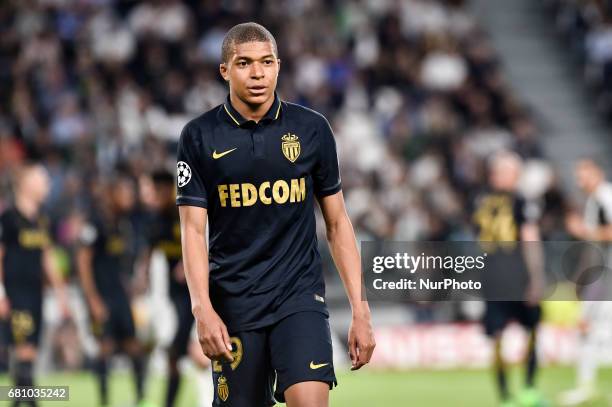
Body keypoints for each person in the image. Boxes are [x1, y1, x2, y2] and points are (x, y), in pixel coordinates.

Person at [176, 22, 375, 406]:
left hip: (298, 298)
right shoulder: (199, 137)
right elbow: (193, 231)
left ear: (279, 66)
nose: (257, 73)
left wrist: (360, 309)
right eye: (244, 63)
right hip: (233, 304)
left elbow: (337, 223)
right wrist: (201, 309)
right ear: (225, 71)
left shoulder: (312, 129)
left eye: (266, 62)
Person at [472, 151, 545, 407]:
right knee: (532, 331)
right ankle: (528, 390)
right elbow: (530, 238)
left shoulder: (481, 201)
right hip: (518, 276)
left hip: (491, 278)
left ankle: (505, 397)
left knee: (498, 337)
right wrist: (536, 278)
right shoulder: (521, 200)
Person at [76, 174, 149, 407]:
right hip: (101, 296)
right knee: (104, 348)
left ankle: (139, 398)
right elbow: (83, 262)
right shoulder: (95, 222)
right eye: (125, 192)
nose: (130, 196)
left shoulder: (122, 223)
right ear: (112, 193)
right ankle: (104, 401)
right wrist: (93, 300)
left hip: (119, 295)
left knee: (134, 346)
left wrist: (133, 282)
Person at [0, 163, 70, 407]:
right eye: (43, 180)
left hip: (36, 295)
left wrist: (61, 294)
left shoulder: (41, 220)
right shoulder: (8, 219)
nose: (47, 185)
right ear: (27, 184)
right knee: (24, 355)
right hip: (15, 295)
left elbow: (48, 257)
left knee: (28, 357)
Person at [144, 170, 211, 406]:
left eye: (160, 190)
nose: (156, 196)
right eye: (154, 191)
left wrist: (187, 262)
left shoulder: (181, 212)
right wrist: (141, 277)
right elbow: (149, 251)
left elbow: (200, 237)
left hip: (197, 292)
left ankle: (209, 398)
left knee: (197, 352)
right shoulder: (155, 221)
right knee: (176, 356)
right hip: (175, 296)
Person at [560, 159, 612, 405]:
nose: (581, 182)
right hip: (599, 274)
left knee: (587, 327)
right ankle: (586, 385)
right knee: (587, 328)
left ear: (598, 173)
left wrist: (583, 231)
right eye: (578, 178)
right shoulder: (596, 200)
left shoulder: (605, 197)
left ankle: (586, 385)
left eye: (585, 175)